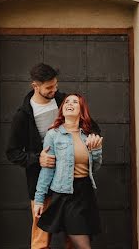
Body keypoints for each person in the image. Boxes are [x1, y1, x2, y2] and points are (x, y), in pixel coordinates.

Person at [6, 63, 101, 249]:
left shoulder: (64, 101)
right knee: (41, 239)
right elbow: (12, 152)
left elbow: (91, 126)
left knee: (73, 236)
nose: (54, 90)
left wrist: (93, 140)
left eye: (55, 85)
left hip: (72, 183)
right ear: (35, 86)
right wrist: (37, 159)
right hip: (42, 181)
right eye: (49, 87)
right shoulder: (23, 115)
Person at [33, 94, 103, 249]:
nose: (69, 104)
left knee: (79, 242)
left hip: (86, 192)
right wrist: (39, 200)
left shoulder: (87, 135)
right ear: (62, 109)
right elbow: (47, 170)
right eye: (67, 102)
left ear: (81, 110)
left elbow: (95, 167)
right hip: (66, 194)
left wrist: (96, 149)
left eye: (75, 102)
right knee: (83, 245)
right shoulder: (53, 135)